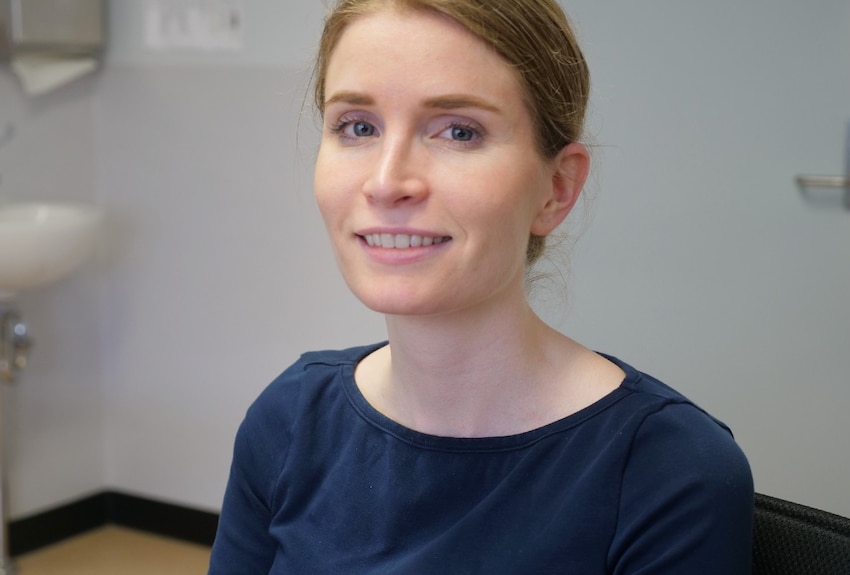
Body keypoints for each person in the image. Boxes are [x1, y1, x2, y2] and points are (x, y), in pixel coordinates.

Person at [208, 0, 754, 573]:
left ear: (557, 189)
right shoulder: (290, 418)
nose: (387, 182)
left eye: (459, 132)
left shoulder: (668, 469)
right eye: (358, 127)